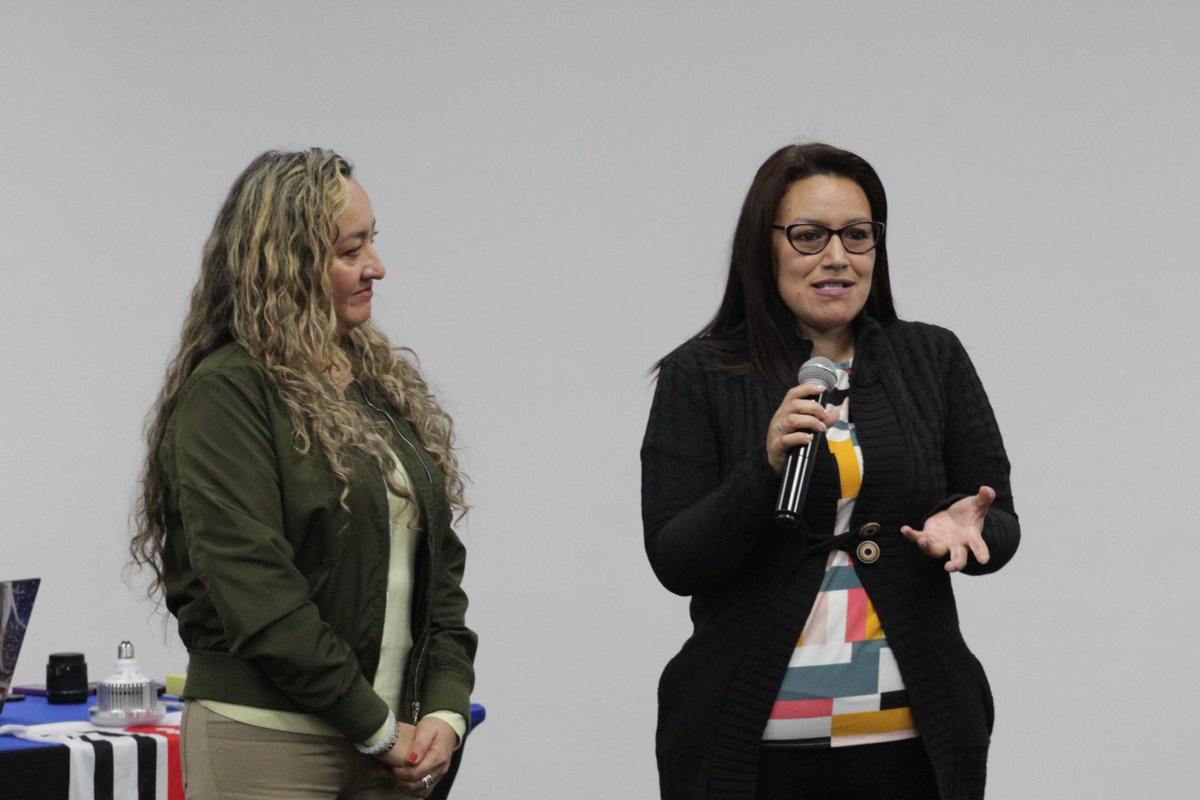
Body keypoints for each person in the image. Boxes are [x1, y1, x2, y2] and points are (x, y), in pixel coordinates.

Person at [641, 142, 1019, 799]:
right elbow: (677, 560)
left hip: (912, 748)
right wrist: (765, 469)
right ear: (764, 248)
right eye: (809, 236)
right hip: (751, 755)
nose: (837, 258)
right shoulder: (697, 374)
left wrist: (967, 535)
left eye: (858, 235)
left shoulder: (933, 358)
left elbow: (999, 521)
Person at [130, 149, 477, 799]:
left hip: (389, 743)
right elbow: (256, 592)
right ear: (286, 267)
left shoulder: (377, 387)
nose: (377, 266)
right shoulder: (230, 393)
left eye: (373, 242)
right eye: (351, 251)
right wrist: (373, 724)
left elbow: (441, 577)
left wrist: (444, 709)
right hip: (269, 741)